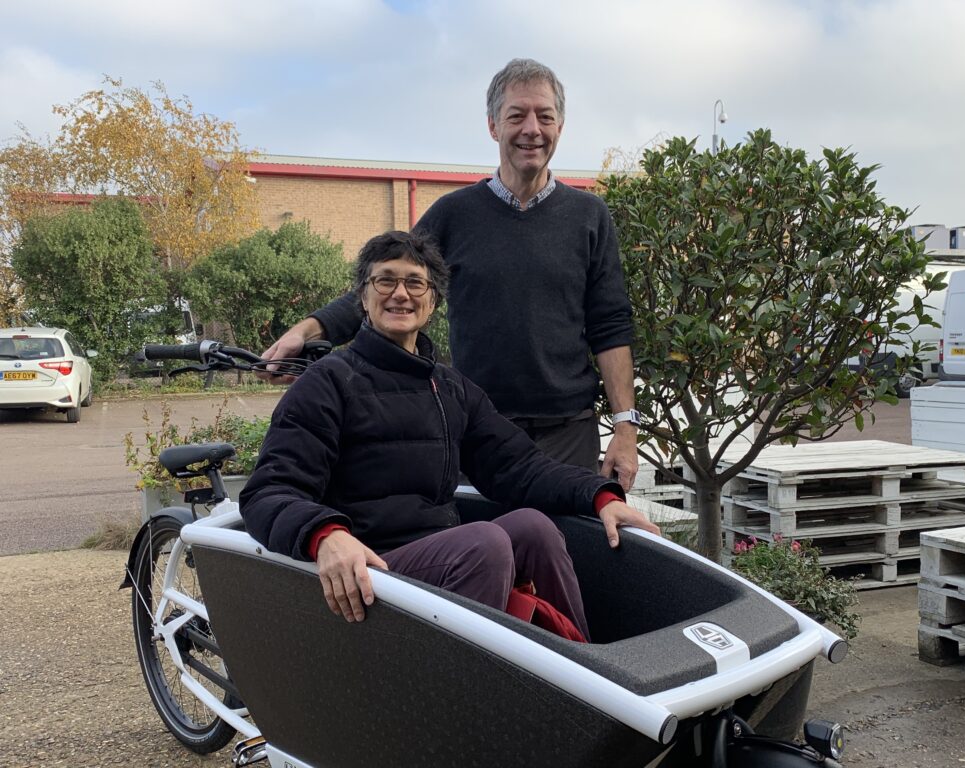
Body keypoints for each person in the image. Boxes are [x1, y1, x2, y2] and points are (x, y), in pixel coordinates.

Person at [241, 231, 660, 640]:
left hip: (441, 556)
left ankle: (578, 671)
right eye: (385, 280)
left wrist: (601, 496)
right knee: (485, 542)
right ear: (363, 299)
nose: (400, 293)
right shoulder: (327, 383)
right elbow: (269, 491)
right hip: (369, 569)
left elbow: (519, 466)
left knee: (534, 527)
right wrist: (326, 535)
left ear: (433, 303)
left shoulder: (451, 389)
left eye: (415, 282)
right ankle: (469, 697)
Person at [260, 58, 641, 491]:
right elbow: (385, 287)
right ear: (494, 126)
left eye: (545, 116)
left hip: (569, 432)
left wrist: (625, 429)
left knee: (567, 554)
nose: (532, 128)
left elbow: (611, 325)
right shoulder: (454, 215)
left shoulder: (589, 216)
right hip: (474, 430)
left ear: (560, 126)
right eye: (517, 115)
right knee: (485, 551)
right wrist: (307, 330)